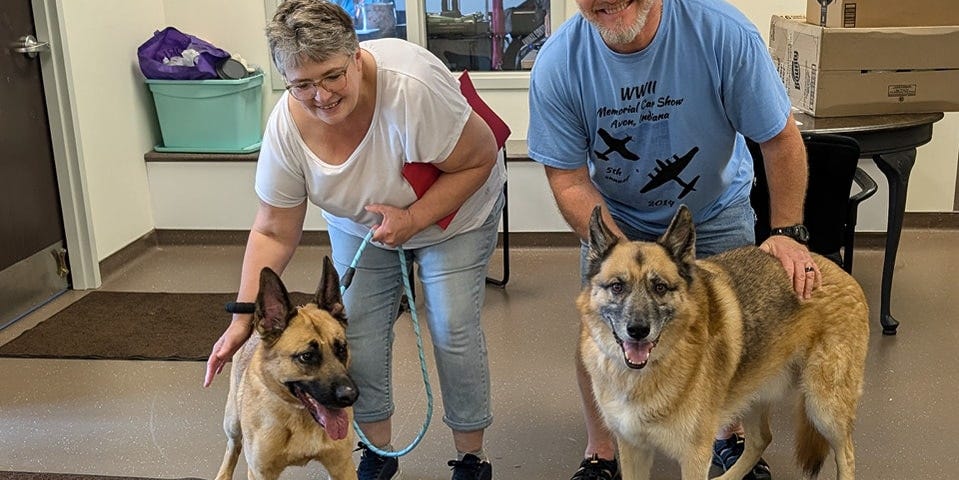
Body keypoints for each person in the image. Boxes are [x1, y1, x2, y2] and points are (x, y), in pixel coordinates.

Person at [203, 2, 505, 480]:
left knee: (451, 327)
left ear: (356, 56)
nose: (319, 96)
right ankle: (375, 450)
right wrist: (242, 319)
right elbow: (272, 229)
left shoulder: (411, 88)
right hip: (360, 221)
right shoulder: (286, 126)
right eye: (301, 84)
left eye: (331, 76)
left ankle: (471, 457)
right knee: (355, 330)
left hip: (455, 209)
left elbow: (479, 157)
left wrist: (414, 217)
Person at [526, 0, 821, 479]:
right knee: (604, 330)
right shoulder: (560, 62)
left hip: (713, 209)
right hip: (615, 221)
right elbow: (568, 178)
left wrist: (786, 231)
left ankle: (725, 433)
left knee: (720, 330)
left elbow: (779, 137)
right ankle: (602, 449)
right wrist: (621, 255)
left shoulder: (722, 34)